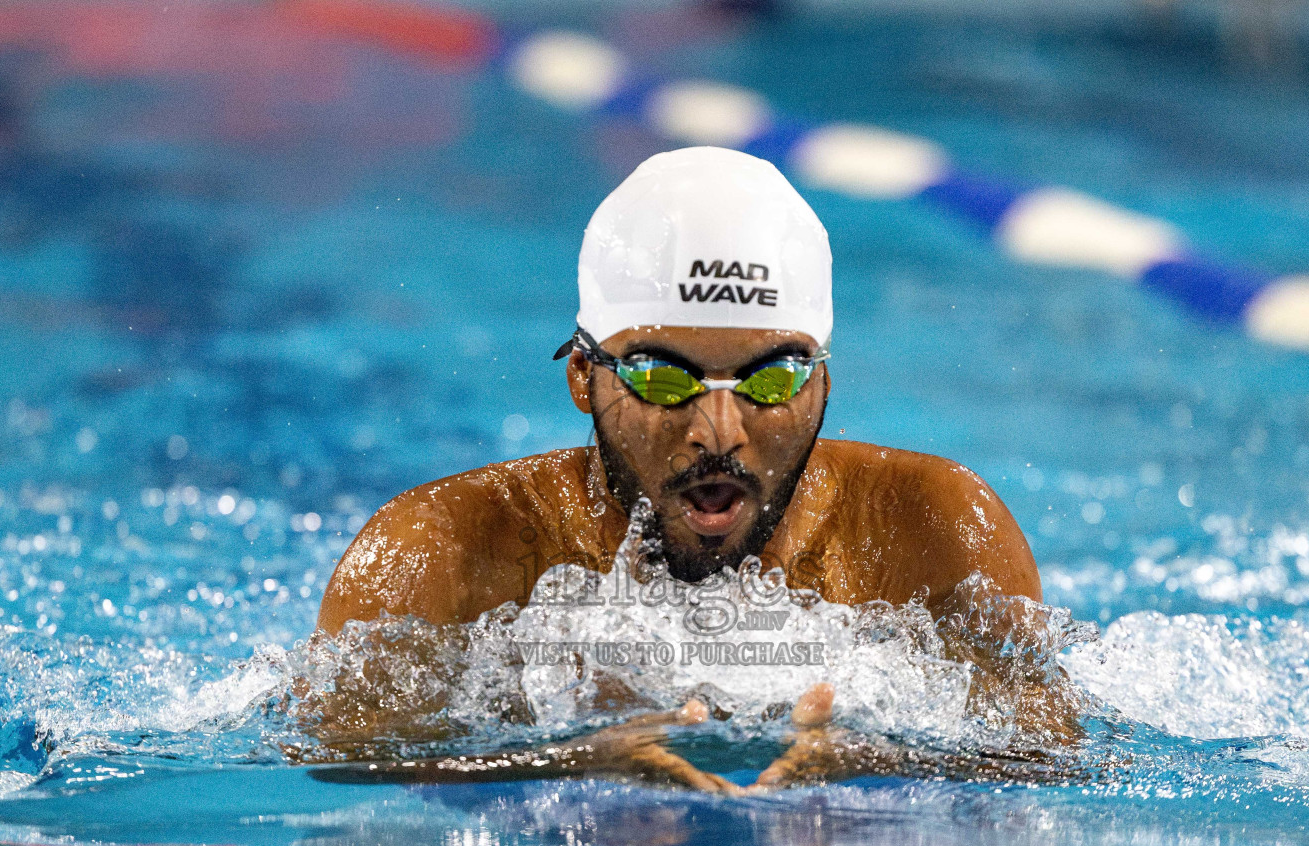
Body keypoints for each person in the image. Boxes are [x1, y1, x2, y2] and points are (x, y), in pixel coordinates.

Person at [314, 147, 1079, 793]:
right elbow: (333, 756)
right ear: (583, 375)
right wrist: (567, 763)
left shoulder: (932, 529)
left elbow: (1057, 761)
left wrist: (887, 766)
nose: (720, 432)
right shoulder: (438, 551)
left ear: (822, 384)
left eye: (770, 378)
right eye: (662, 377)